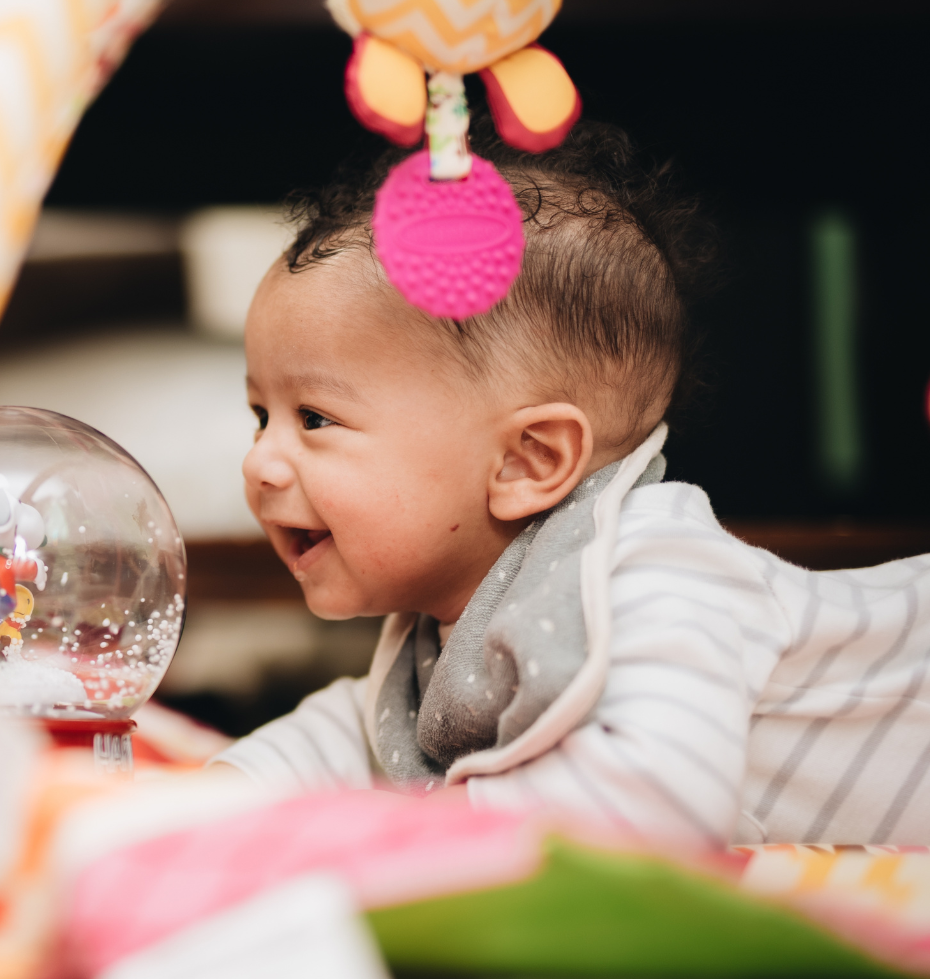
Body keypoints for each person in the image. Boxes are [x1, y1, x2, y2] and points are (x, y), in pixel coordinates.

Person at [210, 122, 930, 848]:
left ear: (529, 462)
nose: (259, 463)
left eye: (314, 418)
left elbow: (654, 808)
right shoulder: (456, 628)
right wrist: (205, 798)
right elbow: (355, 738)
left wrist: (397, 835)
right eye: (259, 416)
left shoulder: (654, 573)